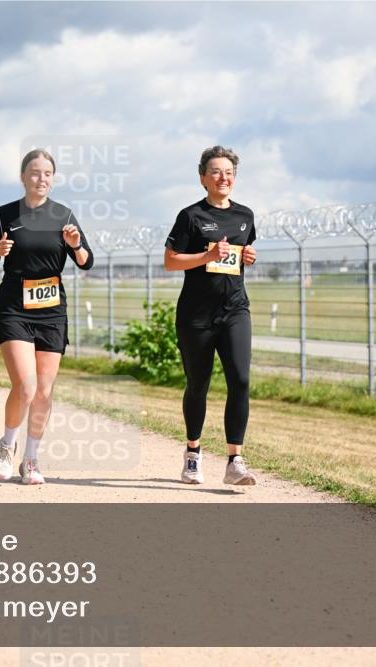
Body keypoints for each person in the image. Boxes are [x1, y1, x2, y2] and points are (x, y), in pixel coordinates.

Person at [0, 149, 94, 485]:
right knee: (26, 385)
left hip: (51, 310)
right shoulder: (6, 214)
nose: (41, 178)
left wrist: (75, 245)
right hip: (14, 305)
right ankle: (6, 446)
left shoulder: (64, 215)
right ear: (23, 177)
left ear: (53, 178)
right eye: (34, 172)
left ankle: (31, 459)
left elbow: (87, 261)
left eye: (47, 173)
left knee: (44, 390)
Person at [164, 145, 258, 486]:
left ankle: (235, 461)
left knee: (241, 380)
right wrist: (205, 255)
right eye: (216, 172)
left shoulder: (245, 216)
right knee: (198, 385)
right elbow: (171, 261)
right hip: (196, 315)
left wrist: (248, 255)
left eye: (229, 172)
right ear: (203, 177)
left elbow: (237, 258)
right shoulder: (190, 216)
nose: (224, 178)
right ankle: (193, 453)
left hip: (235, 309)